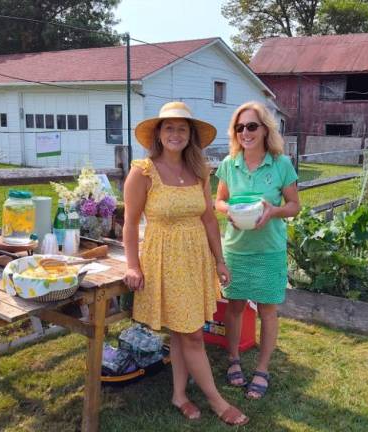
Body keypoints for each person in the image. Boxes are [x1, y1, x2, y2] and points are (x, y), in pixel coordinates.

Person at [122, 101, 249, 426]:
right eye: (169, 127)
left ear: (190, 135)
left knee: (183, 330)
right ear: (159, 134)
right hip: (164, 259)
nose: (175, 134)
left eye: (182, 128)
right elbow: (130, 222)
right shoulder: (143, 171)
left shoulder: (198, 171)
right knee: (193, 334)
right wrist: (133, 265)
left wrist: (220, 260)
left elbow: (208, 219)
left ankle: (179, 394)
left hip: (195, 259)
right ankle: (218, 402)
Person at [214, 101, 300, 400]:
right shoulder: (229, 163)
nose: (245, 132)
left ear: (265, 129)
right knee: (235, 307)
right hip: (236, 249)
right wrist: (229, 212)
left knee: (267, 310)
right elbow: (219, 201)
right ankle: (234, 359)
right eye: (239, 128)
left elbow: (294, 207)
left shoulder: (281, 164)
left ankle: (262, 369)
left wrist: (273, 211)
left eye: (252, 126)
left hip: (268, 250)